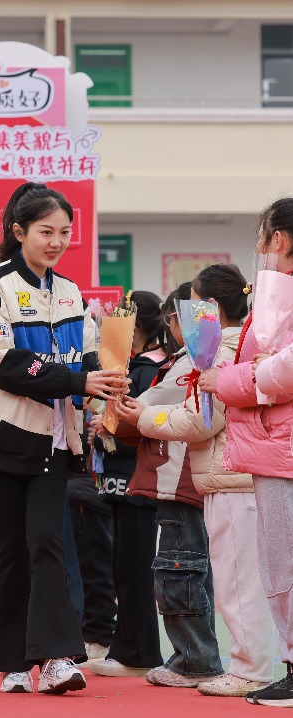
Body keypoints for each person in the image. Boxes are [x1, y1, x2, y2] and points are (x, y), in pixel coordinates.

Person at [0, 181, 127, 695]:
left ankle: (54, 658)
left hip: (55, 441)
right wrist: (78, 380)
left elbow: (88, 357)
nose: (56, 242)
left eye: (64, 233)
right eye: (45, 231)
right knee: (11, 549)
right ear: (19, 231)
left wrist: (105, 387)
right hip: (1, 437)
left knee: (45, 543)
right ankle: (12, 663)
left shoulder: (71, 292)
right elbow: (5, 364)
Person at [116, 265, 274, 698]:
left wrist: (143, 417)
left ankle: (252, 669)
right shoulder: (239, 344)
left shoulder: (222, 351)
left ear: (212, 308)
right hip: (232, 478)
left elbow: (201, 421)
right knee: (240, 581)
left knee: (238, 583)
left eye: (194, 305)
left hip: (230, 479)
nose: (188, 315)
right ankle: (251, 665)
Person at [108, 282, 224, 688]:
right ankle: (197, 656)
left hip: (181, 476)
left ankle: (195, 660)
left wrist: (118, 411)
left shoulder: (195, 359)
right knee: (190, 570)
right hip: (185, 475)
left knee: (180, 569)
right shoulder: (193, 356)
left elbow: (150, 404)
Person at [204, 197, 293, 707]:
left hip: (280, 445)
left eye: (262, 237)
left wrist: (228, 379)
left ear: (277, 239)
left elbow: (280, 370)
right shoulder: (274, 296)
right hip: (272, 445)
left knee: (281, 562)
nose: (260, 247)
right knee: (277, 561)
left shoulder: (282, 296)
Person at [87, 291, 168, 678]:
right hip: (120, 476)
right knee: (123, 566)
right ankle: (129, 647)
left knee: (135, 567)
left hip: (138, 476)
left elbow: (141, 421)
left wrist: (109, 427)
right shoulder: (132, 366)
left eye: (123, 321)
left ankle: (140, 652)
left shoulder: (150, 369)